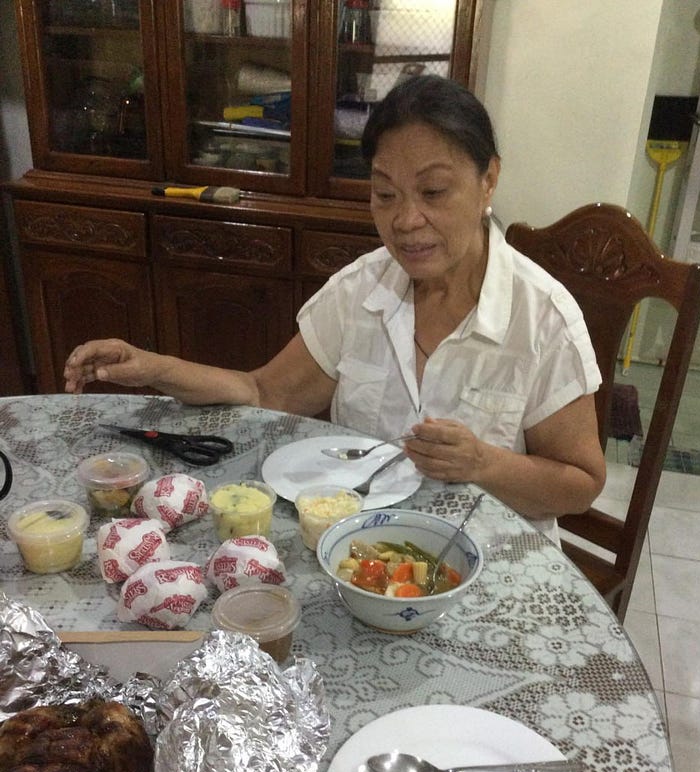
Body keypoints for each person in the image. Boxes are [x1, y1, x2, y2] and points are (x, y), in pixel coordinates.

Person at [64, 75, 606, 541]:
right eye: (385, 194)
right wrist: (151, 366)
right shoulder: (359, 292)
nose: (406, 220)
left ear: (488, 179)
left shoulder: (542, 316)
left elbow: (580, 484)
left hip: (485, 561)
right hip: (356, 550)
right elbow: (264, 392)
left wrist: (483, 462)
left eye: (434, 192)